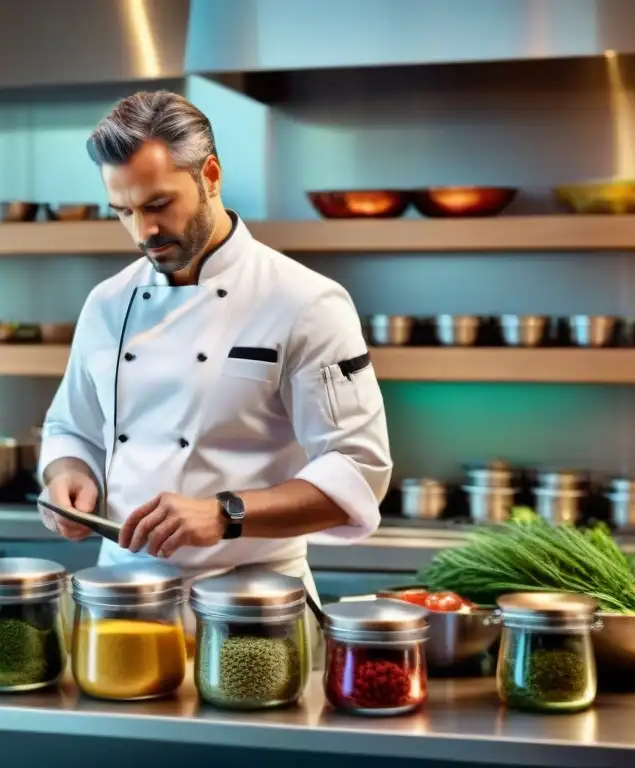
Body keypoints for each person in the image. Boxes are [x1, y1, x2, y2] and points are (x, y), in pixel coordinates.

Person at [37, 90, 392, 655]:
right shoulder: (106, 303)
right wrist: (68, 476)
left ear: (211, 175)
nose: (142, 233)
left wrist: (227, 514)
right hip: (123, 607)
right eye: (123, 212)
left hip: (254, 612)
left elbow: (358, 471)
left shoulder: (306, 301)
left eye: (158, 204)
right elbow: (70, 430)